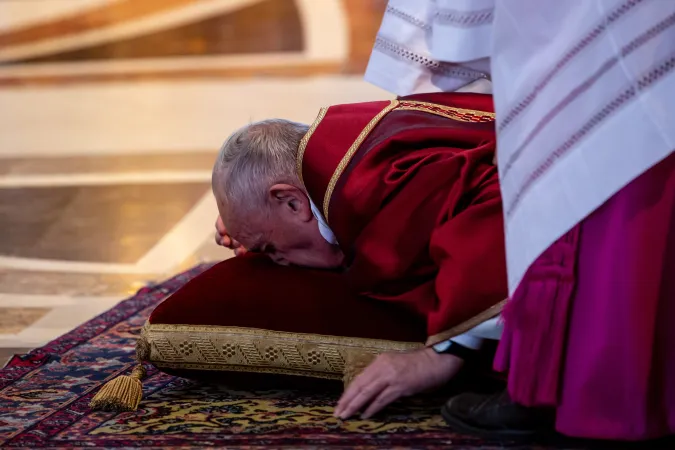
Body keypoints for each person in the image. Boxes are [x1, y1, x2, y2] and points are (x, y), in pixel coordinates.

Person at [365, 0, 675, 441]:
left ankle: (587, 387)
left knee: (588, 134)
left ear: (290, 201)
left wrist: (445, 350)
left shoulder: (375, 170)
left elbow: (479, 227)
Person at [212, 92, 509, 420]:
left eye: (269, 249)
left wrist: (444, 352)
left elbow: (501, 211)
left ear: (292, 201)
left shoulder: (367, 188)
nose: (277, 261)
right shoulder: (340, 143)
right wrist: (251, 222)